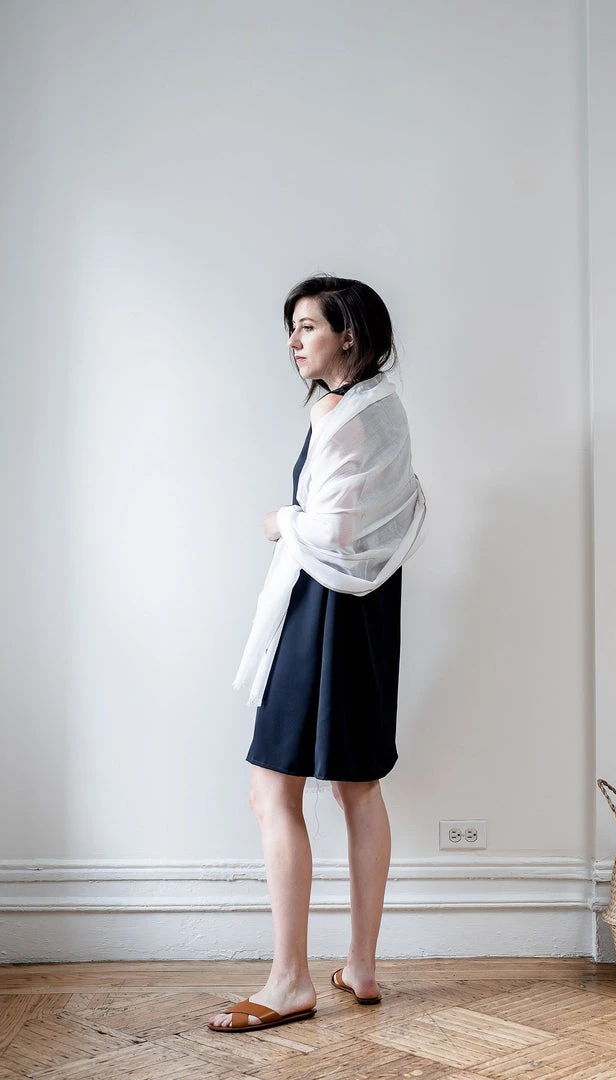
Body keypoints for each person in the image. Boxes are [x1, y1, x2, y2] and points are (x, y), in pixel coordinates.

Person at [209, 274, 427, 1033]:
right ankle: (359, 968)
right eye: (293, 327)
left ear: (349, 335)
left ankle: (289, 981)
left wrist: (279, 520)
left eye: (308, 327)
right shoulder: (379, 407)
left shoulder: (343, 412)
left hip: (320, 610)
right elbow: (389, 515)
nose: (294, 341)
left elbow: (332, 530)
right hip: (366, 611)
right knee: (356, 786)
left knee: (273, 789)